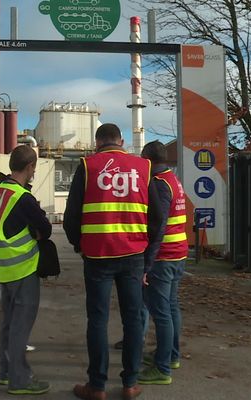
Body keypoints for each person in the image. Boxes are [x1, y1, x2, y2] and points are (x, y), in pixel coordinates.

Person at [63, 123, 161, 400]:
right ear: (121, 141)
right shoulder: (143, 167)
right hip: (133, 256)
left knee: (97, 319)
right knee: (132, 319)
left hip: (97, 256)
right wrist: (145, 248)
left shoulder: (88, 165)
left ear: (97, 143)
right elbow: (156, 217)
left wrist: (79, 245)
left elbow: (71, 216)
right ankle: (130, 383)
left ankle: (97, 386)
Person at [0, 145, 52, 395]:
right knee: (20, 328)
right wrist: (35, 232)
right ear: (30, 167)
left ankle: (6, 373)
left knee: (8, 323)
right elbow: (44, 228)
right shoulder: (22, 197)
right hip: (20, 267)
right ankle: (20, 380)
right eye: (34, 167)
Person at [137, 141, 188, 385]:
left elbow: (158, 226)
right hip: (178, 253)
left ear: (147, 159)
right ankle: (171, 356)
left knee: (162, 312)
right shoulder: (173, 179)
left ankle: (162, 368)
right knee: (171, 307)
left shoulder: (158, 184)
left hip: (164, 256)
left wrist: (147, 264)